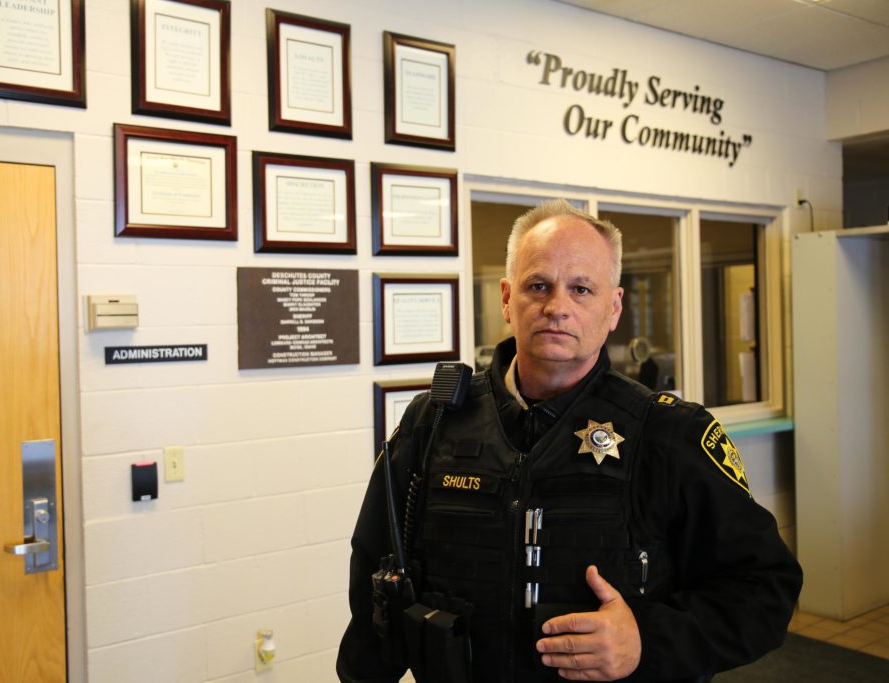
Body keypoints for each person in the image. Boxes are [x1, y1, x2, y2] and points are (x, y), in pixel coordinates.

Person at [337, 200, 802, 682]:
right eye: (538, 285)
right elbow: (374, 573)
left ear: (614, 306)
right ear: (505, 298)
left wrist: (647, 639)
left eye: (581, 289)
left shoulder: (669, 434)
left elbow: (765, 589)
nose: (557, 307)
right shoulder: (432, 423)